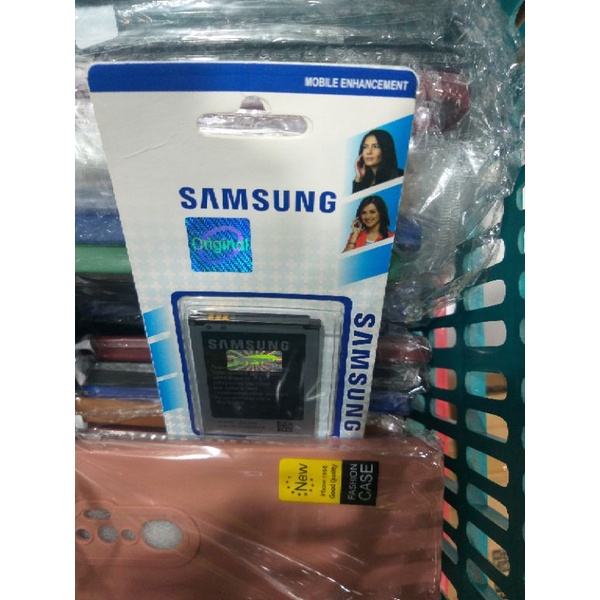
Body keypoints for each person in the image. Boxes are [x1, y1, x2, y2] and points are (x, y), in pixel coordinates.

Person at [352, 129, 404, 193]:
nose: (368, 152)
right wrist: (358, 178)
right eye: (365, 147)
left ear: (385, 149)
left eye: (375, 146)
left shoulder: (400, 176)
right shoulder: (364, 179)